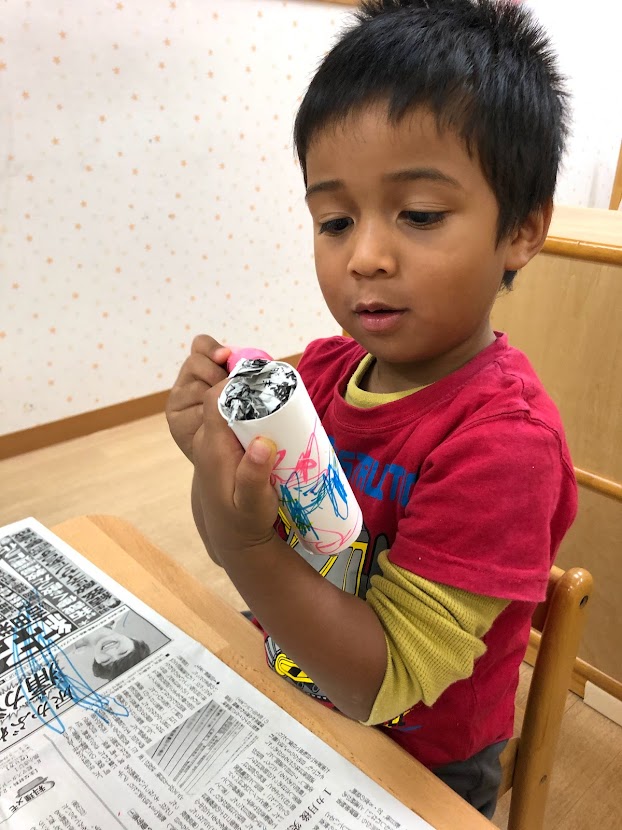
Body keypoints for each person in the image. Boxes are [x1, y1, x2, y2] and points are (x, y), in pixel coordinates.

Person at [165, 0, 577, 817]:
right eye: (335, 220)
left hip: (417, 753)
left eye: (419, 215)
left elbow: (378, 682)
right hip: (290, 673)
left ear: (522, 230)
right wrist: (214, 459)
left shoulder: (505, 444)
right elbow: (244, 539)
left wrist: (244, 542)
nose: (365, 256)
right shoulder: (319, 373)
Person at [71, 616, 151, 681]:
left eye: (106, 661)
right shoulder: (116, 609)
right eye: (123, 652)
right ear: (136, 640)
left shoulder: (67, 648)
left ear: (97, 660)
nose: (110, 651)